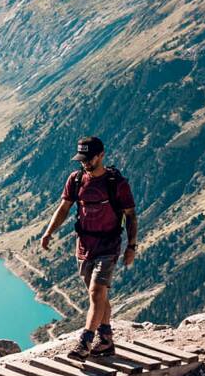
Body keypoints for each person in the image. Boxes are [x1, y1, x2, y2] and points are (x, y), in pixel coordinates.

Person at [38, 136, 136, 358]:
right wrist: (48, 232)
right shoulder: (76, 180)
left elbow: (131, 216)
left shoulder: (116, 184)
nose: (84, 163)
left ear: (101, 155)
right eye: (81, 159)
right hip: (84, 246)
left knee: (96, 292)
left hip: (109, 245)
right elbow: (63, 209)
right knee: (99, 298)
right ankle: (107, 339)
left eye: (88, 158)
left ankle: (84, 343)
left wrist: (131, 246)